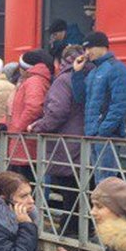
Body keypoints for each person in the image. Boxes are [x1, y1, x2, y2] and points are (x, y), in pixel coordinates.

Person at [29, 45, 85, 235]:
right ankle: (80, 227)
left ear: (60, 62)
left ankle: (70, 229)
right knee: (82, 188)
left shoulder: (63, 80)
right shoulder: (90, 74)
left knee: (69, 188)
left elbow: (57, 112)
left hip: (67, 142)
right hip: (85, 140)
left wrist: (38, 126)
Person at [72, 31, 126, 184]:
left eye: (89, 48)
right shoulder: (94, 71)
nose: (86, 53)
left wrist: (103, 130)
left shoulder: (116, 68)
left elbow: (120, 103)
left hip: (104, 135)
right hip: (96, 133)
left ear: (102, 47)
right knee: (101, 181)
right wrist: (77, 73)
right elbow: (81, 98)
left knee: (106, 181)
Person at [7, 51, 52, 177]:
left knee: (25, 182)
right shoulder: (32, 81)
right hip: (24, 142)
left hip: (25, 142)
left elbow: (33, 108)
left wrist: (17, 129)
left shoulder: (33, 82)